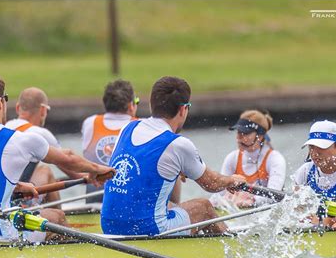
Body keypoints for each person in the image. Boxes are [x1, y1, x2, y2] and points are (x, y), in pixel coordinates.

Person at [0, 72, 115, 241]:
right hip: (0, 236)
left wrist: (15, 186)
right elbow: (67, 159)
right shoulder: (18, 139)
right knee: (57, 217)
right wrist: (99, 169)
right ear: (0, 103)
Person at [101, 76, 246, 236]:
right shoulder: (178, 144)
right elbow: (212, 184)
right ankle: (230, 250)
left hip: (108, 224)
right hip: (147, 229)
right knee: (203, 207)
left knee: (168, 204)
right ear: (183, 109)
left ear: (151, 105)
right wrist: (232, 180)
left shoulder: (127, 127)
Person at [5, 87, 83, 207]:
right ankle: (59, 216)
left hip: (4, 193)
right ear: (42, 110)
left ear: (17, 107)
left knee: (39, 169)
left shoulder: (7, 127)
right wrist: (91, 175)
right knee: (46, 171)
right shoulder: (40, 133)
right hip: (19, 197)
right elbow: (69, 165)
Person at [210, 110, 286, 208]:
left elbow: (273, 195)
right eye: (238, 132)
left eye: (245, 133)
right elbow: (221, 192)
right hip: (238, 206)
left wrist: (252, 201)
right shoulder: (232, 158)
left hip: (265, 211)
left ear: (260, 135)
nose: (238, 137)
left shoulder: (275, 159)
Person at [81, 79, 139, 203]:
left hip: (93, 193)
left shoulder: (90, 122)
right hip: (126, 196)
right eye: (136, 102)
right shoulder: (140, 125)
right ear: (130, 105)